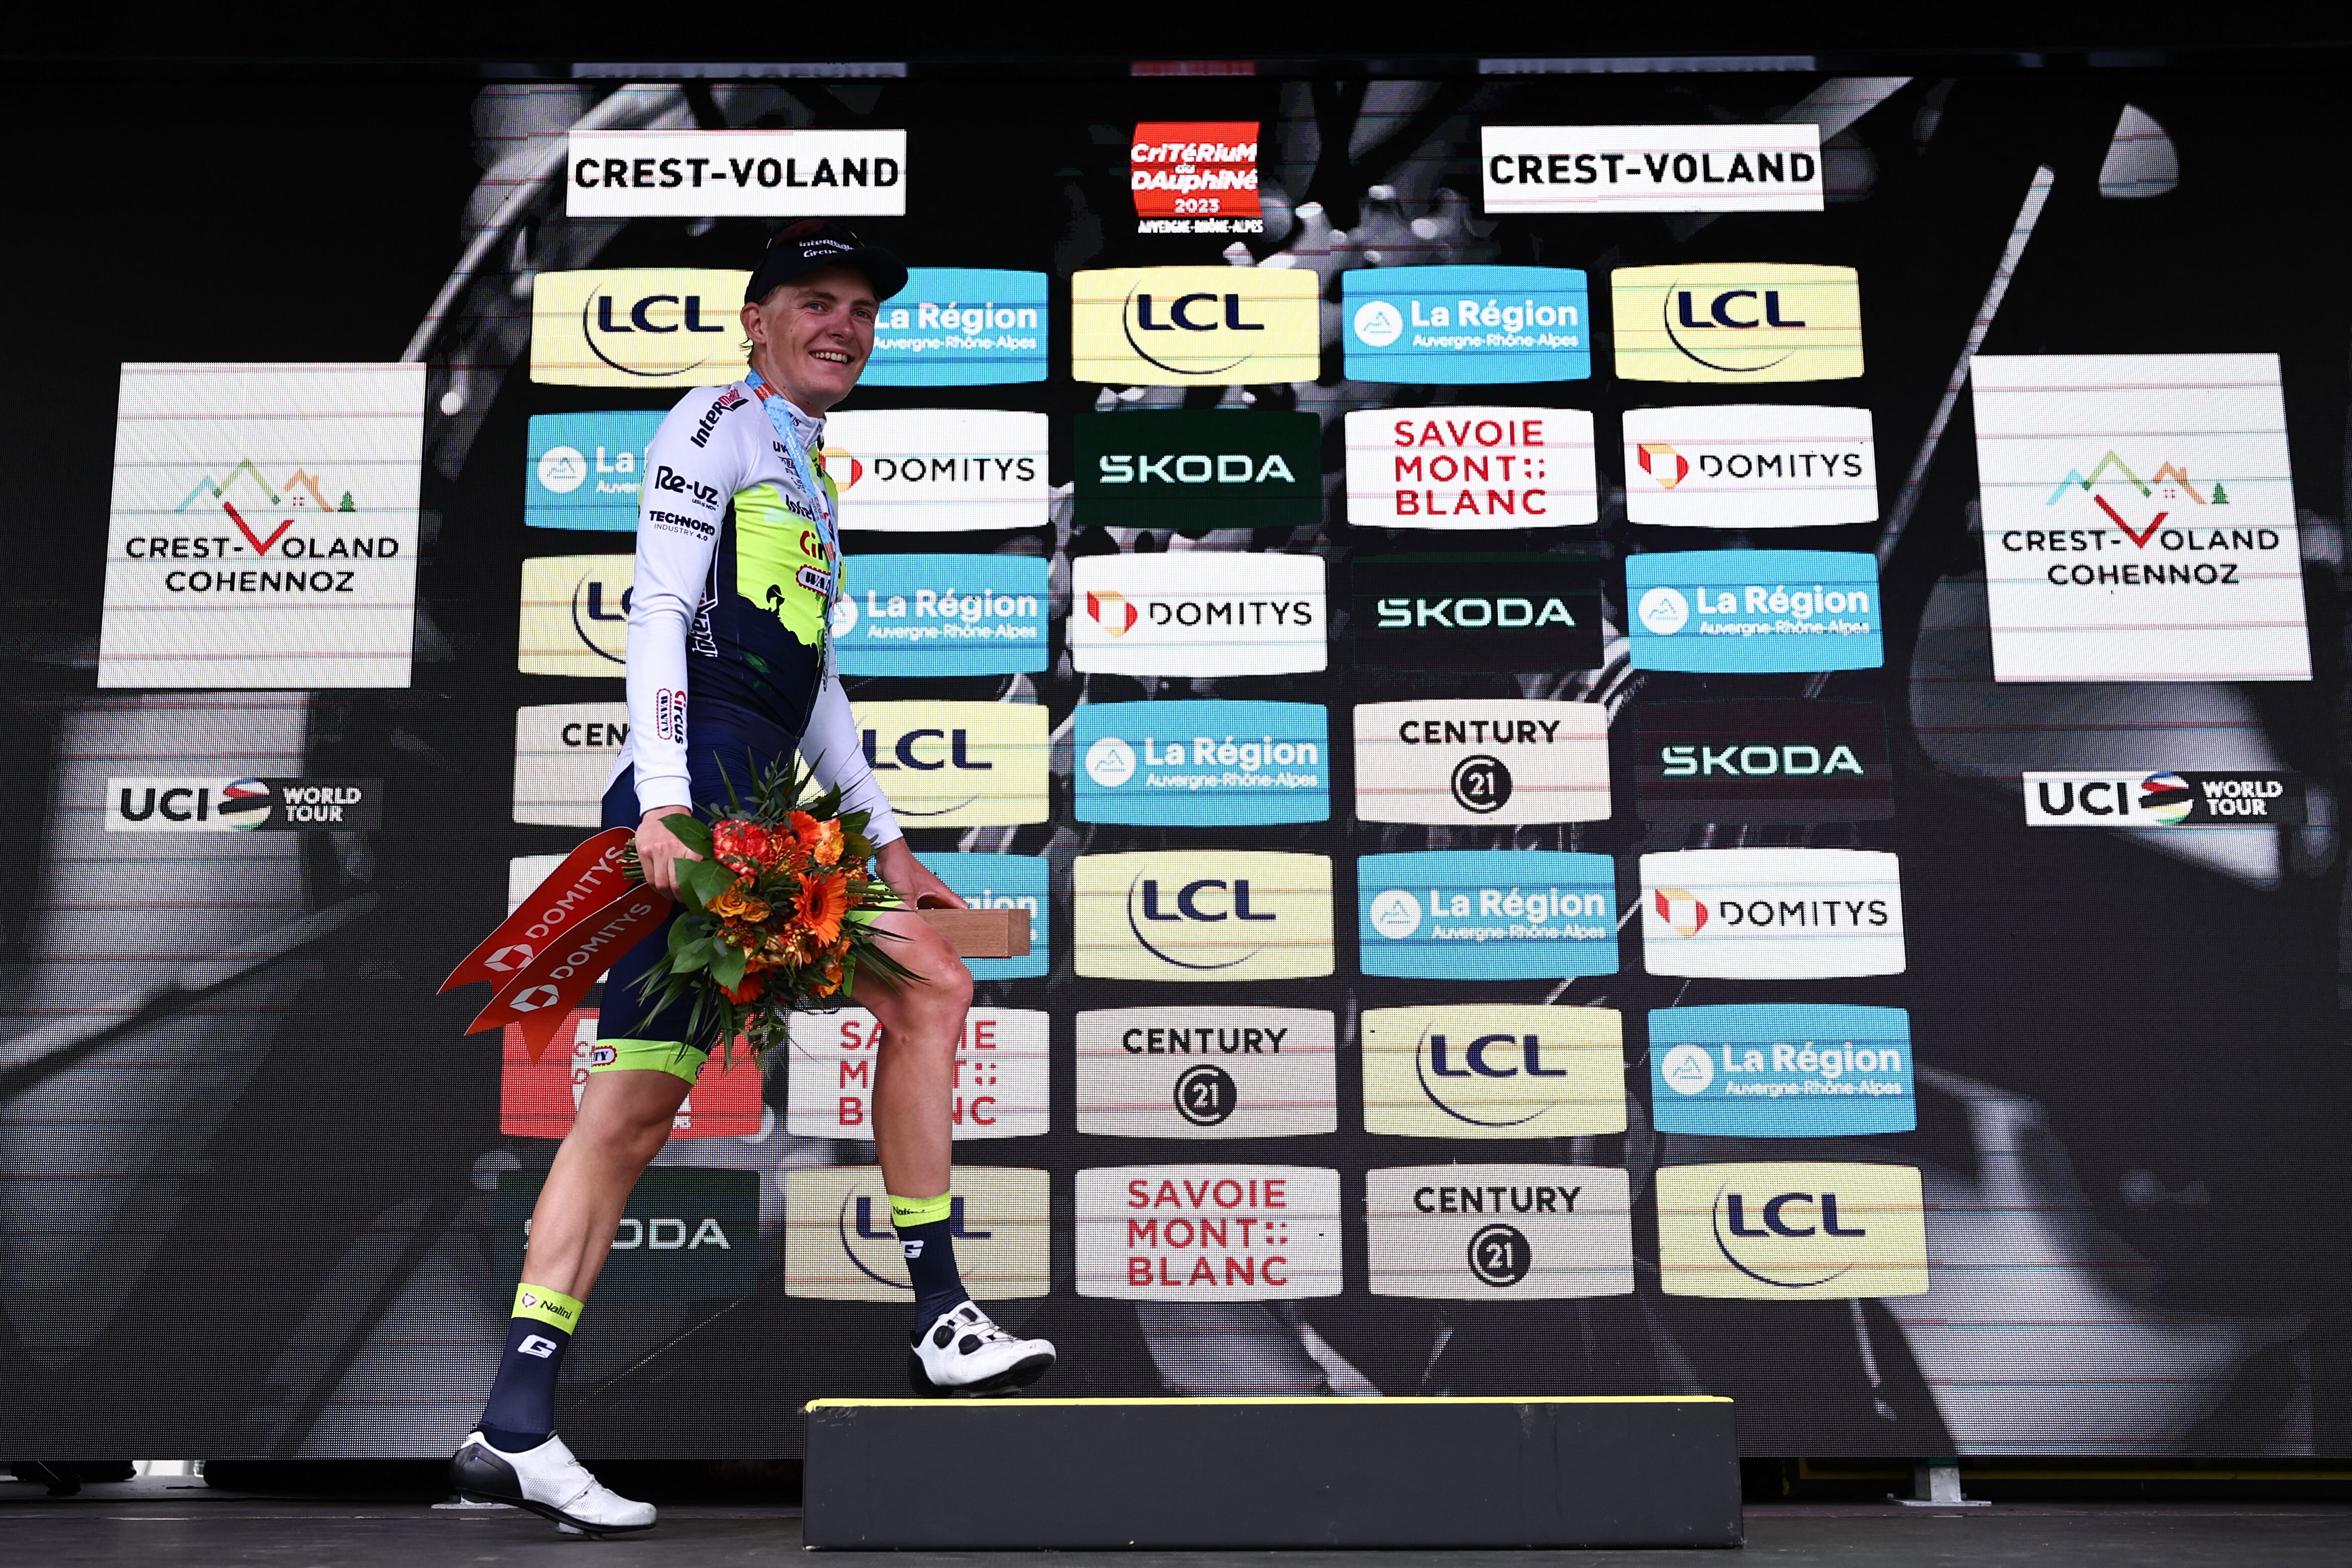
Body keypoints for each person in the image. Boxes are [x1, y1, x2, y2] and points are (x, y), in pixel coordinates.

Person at [450, 219, 1055, 1537]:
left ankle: (516, 1422)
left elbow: (811, 680)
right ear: (756, 321)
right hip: (704, 801)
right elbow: (659, 611)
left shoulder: (803, 462)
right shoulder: (714, 422)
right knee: (893, 1006)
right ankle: (934, 1316)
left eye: (861, 309)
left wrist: (888, 841)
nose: (843, 325)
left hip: (758, 795)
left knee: (643, 1110)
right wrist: (668, 802)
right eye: (814, 301)